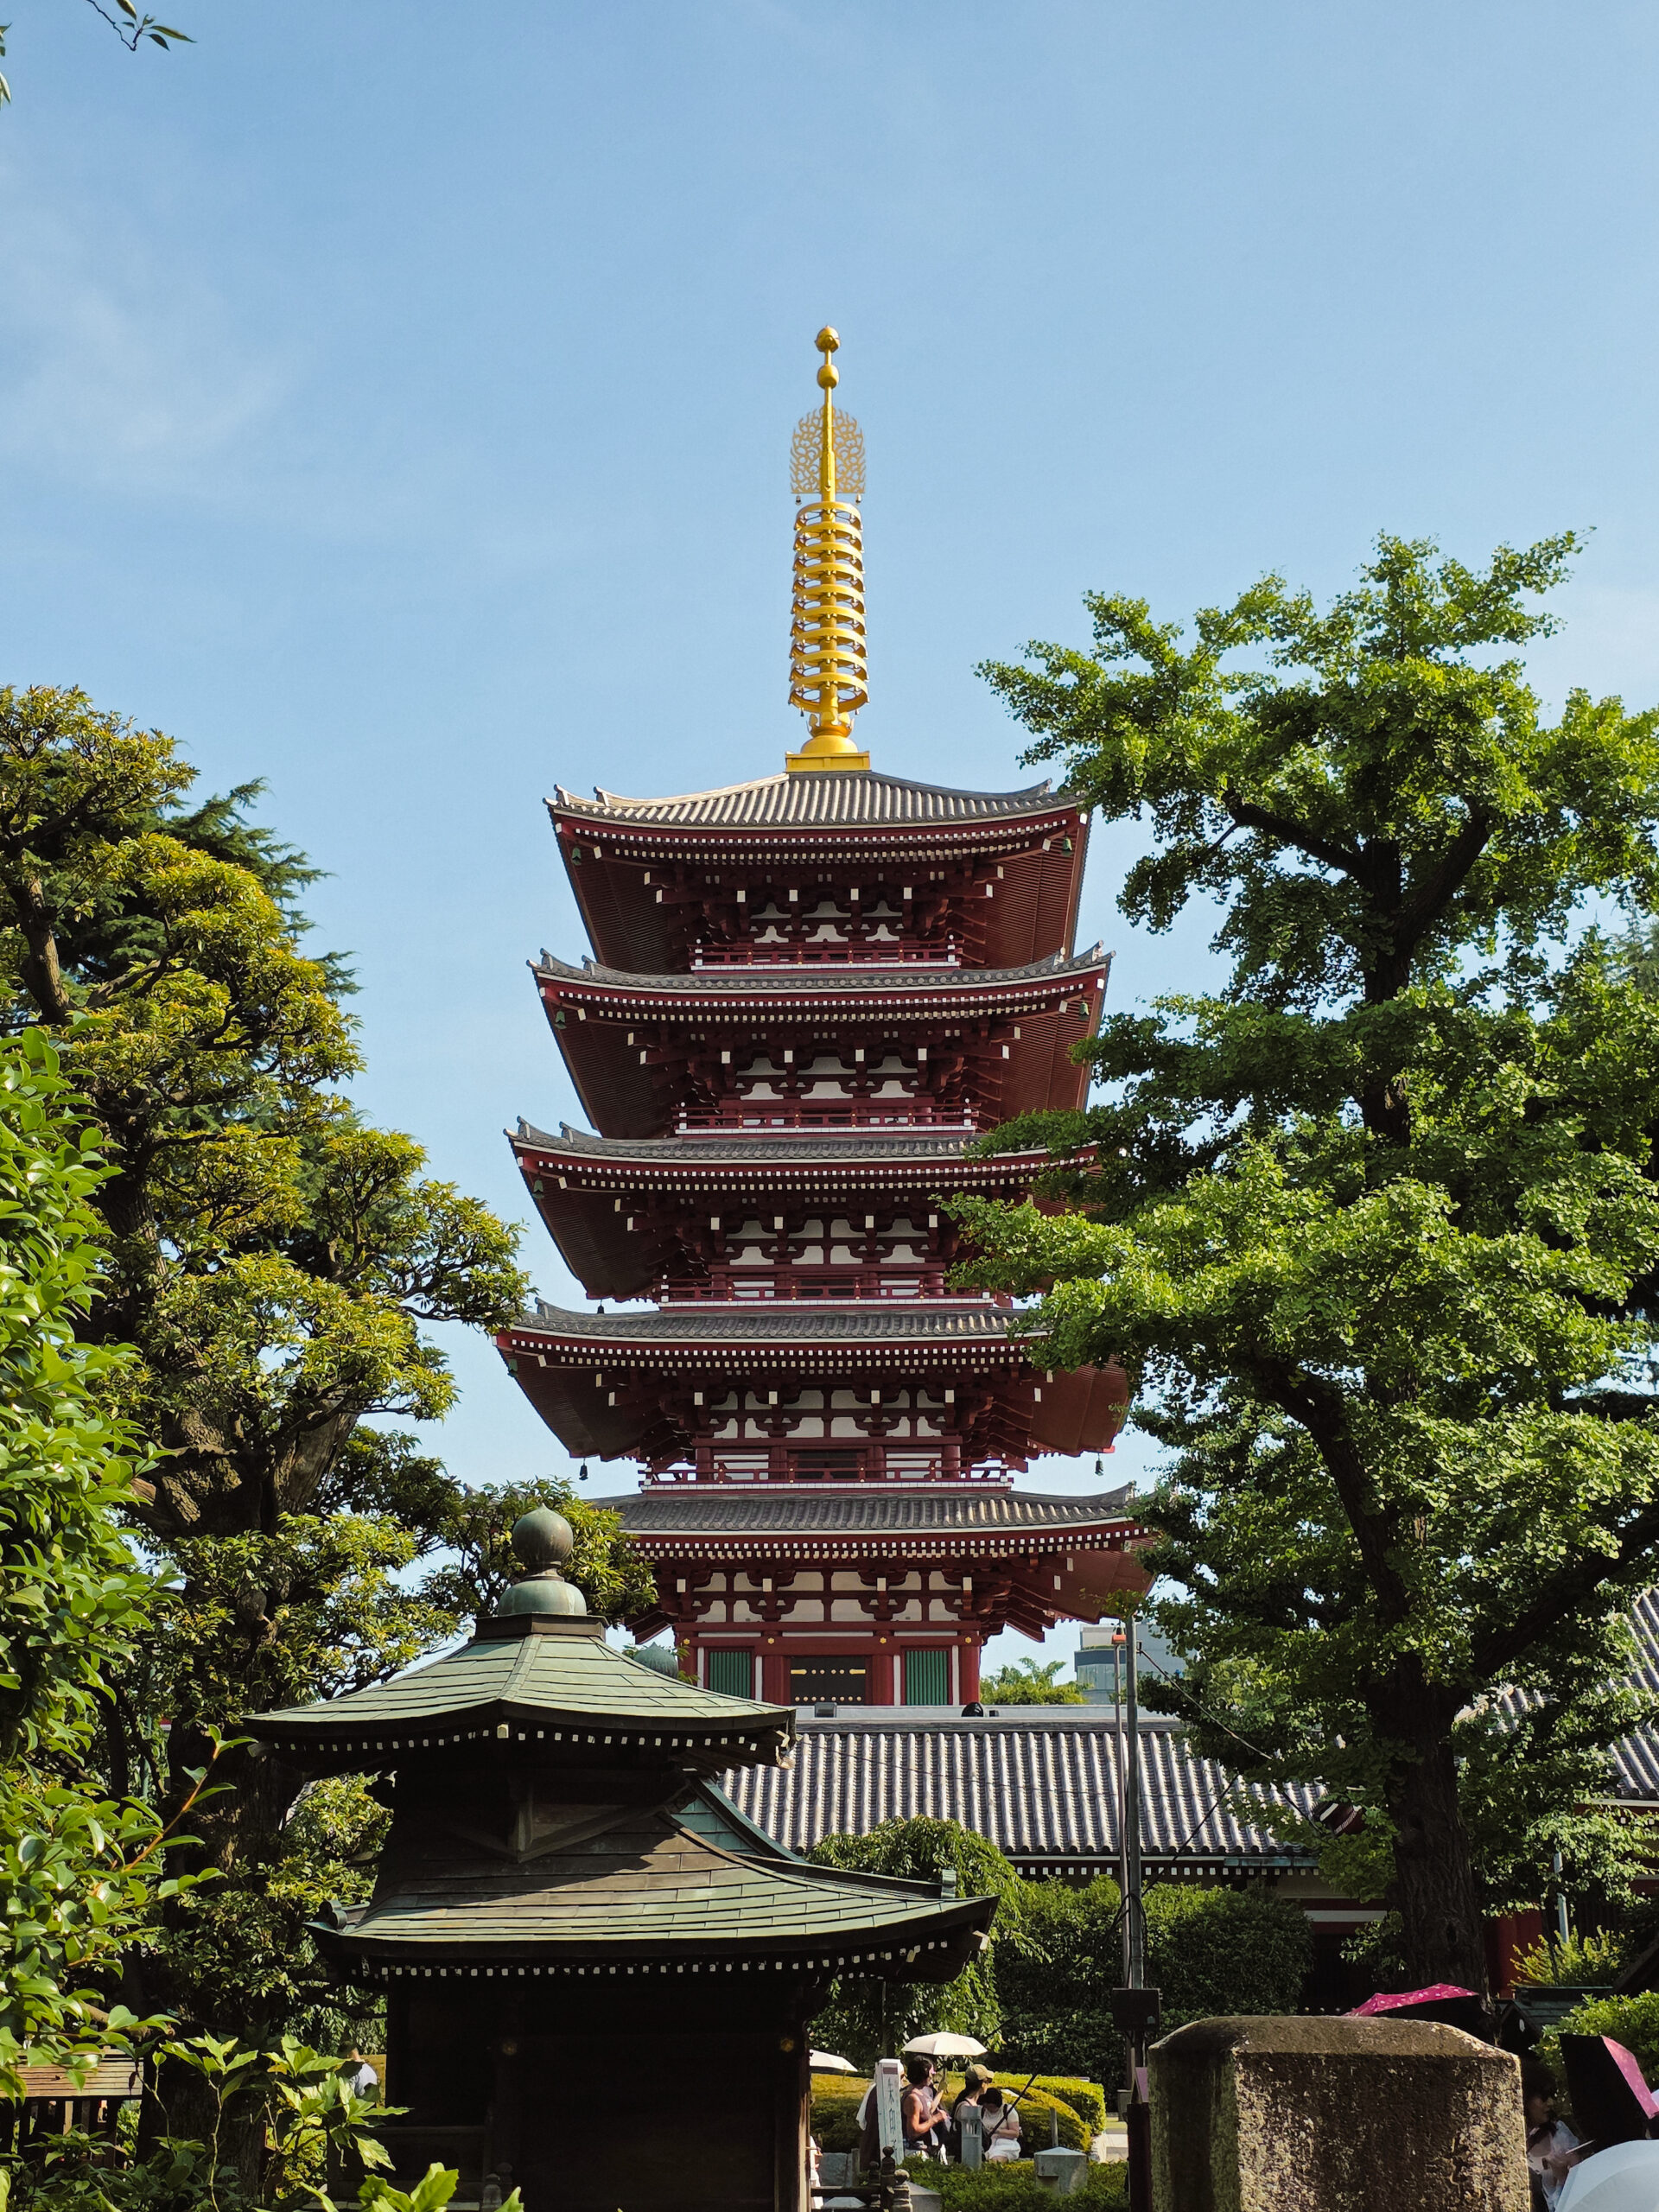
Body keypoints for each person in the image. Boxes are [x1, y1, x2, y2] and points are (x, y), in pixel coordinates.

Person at [1522, 2060, 1580, 2212]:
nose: (1551, 2103)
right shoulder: (1511, 2145)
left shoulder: (1559, 2134)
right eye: (1544, 2097)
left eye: (1551, 2096)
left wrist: (1571, 2172)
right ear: (1525, 2099)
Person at [901, 2056, 949, 2158]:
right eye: (931, 2072)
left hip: (926, 2150)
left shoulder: (921, 2093)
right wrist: (935, 2119)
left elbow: (926, 2114)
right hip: (916, 2153)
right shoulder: (913, 2098)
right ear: (924, 2074)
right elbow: (913, 2131)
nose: (933, 2075)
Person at [982, 2086, 1022, 2161]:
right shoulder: (982, 2111)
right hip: (988, 2145)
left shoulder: (1008, 2110)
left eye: (992, 2107)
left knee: (996, 2160)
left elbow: (1015, 2133)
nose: (990, 2109)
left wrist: (998, 2131)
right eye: (987, 2106)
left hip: (1005, 2144)